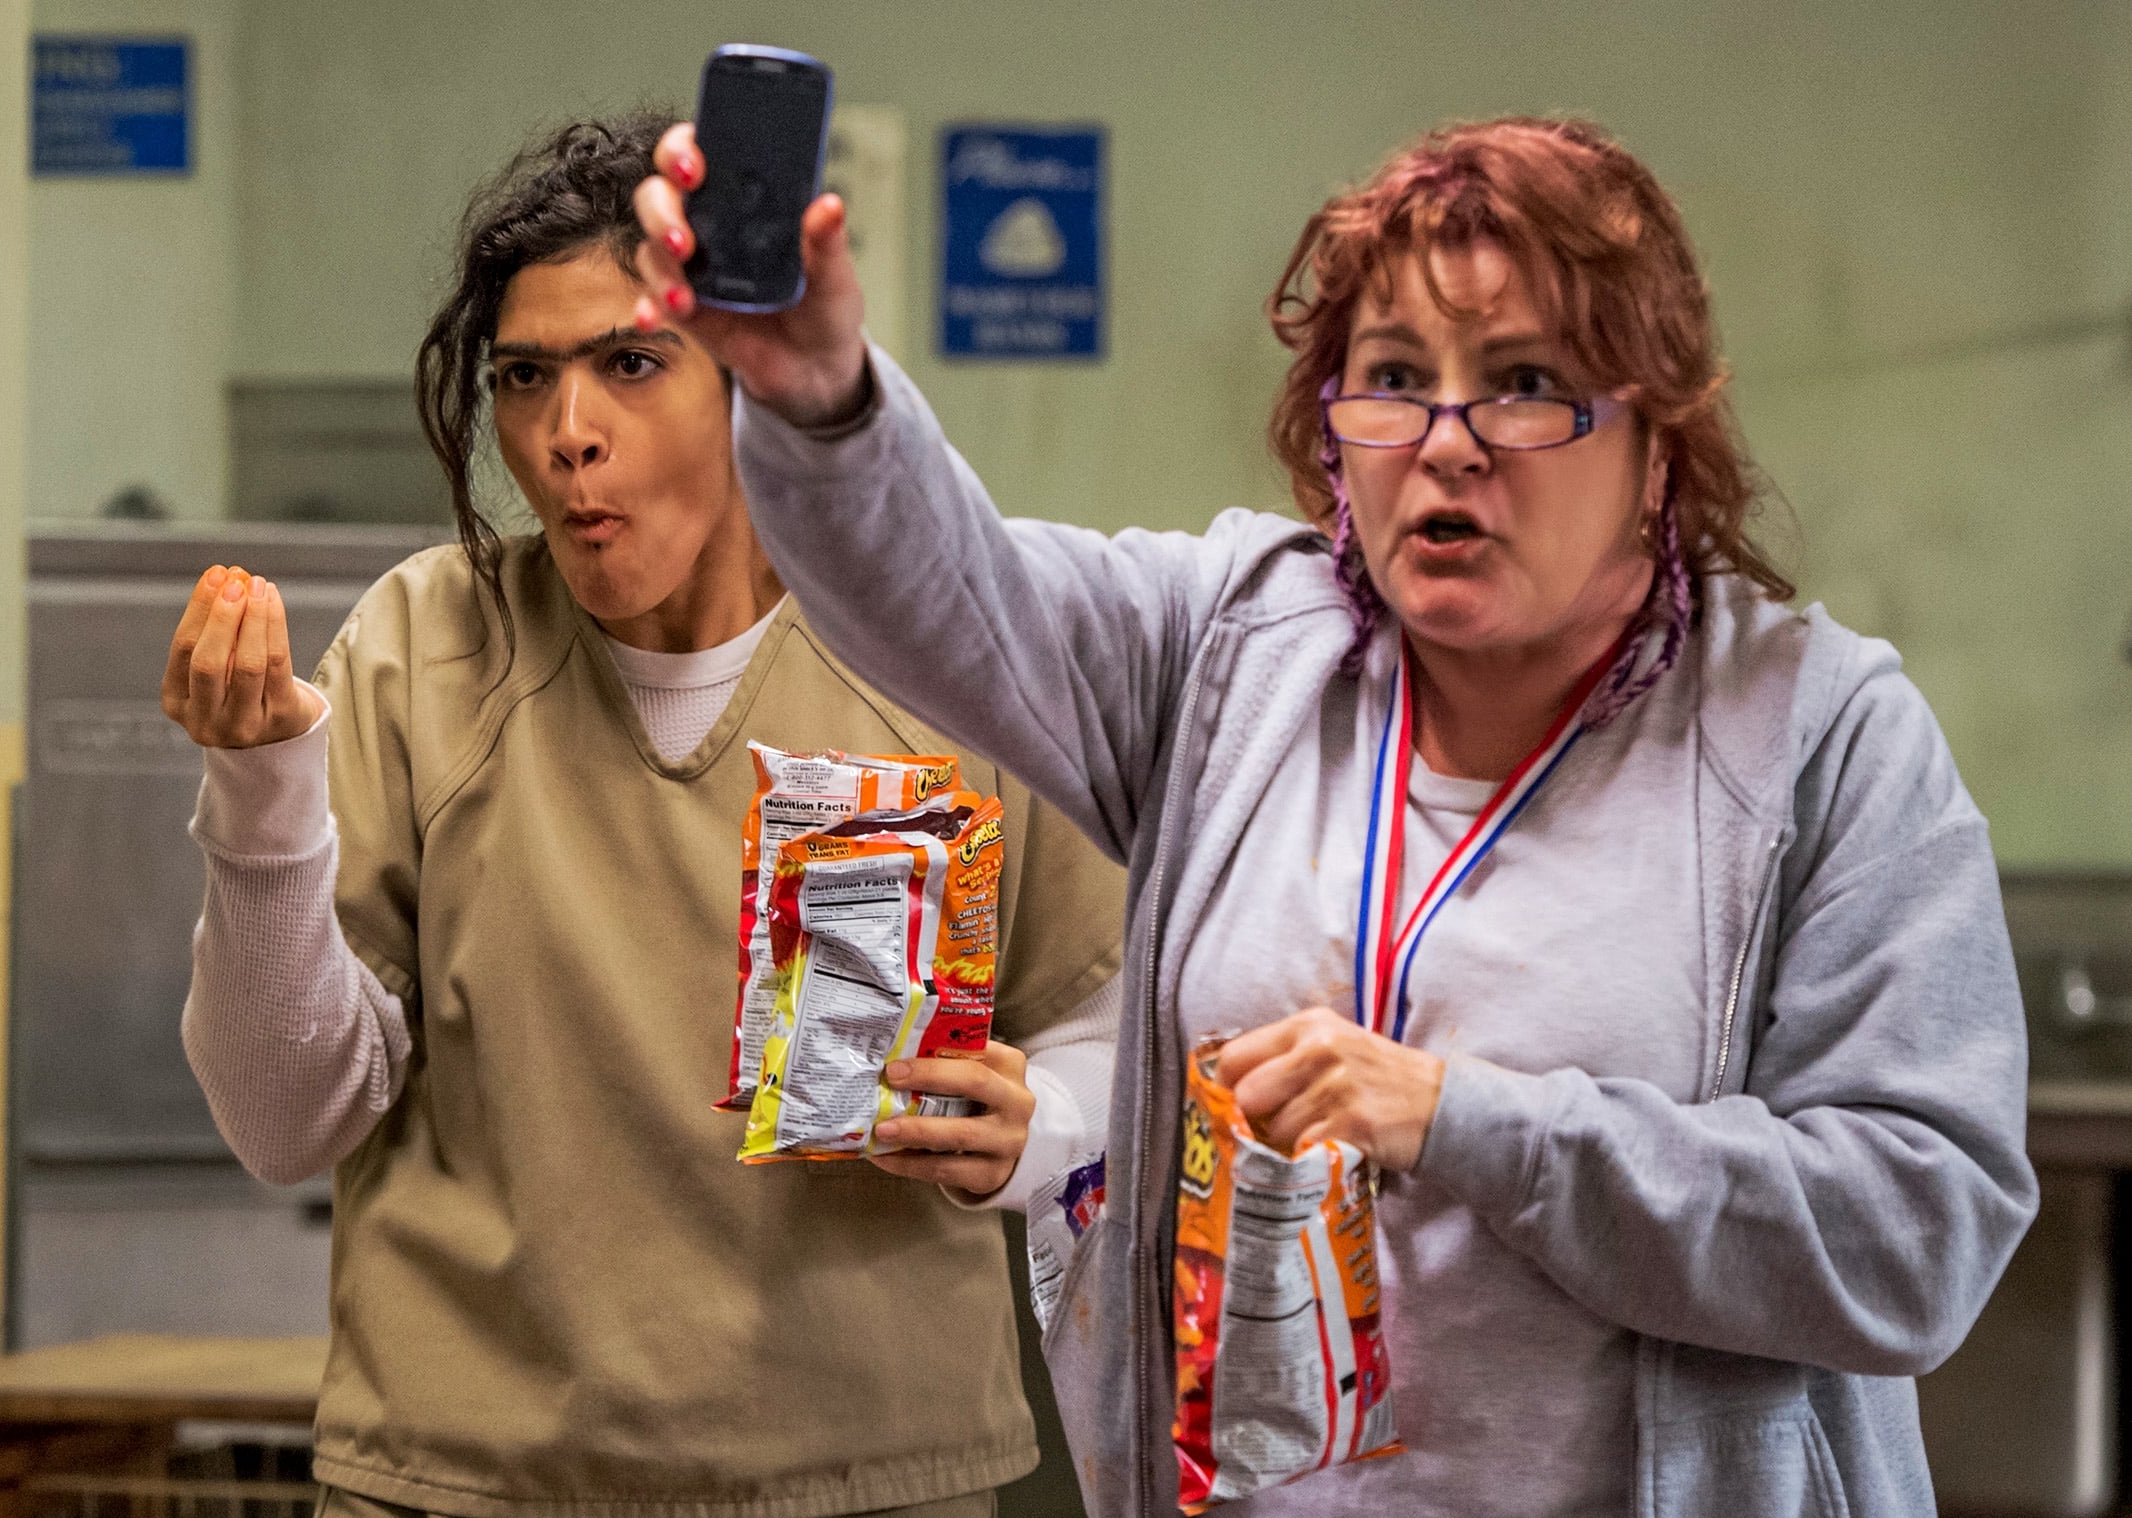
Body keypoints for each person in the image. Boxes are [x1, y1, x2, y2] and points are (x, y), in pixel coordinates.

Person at [627, 114, 2036, 1516]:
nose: (1448, 444)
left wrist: (1466, 1121)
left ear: (1656, 439)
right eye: (1395, 380)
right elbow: (949, 595)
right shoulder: (1237, 652)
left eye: (1526, 384)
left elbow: (1920, 1235)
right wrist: (820, 396)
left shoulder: (1815, 736)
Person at [160, 111, 1128, 1518]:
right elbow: (283, 1121)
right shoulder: (428, 648)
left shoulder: (942, 649)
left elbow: (1116, 1033)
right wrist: (259, 794)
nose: (568, 435)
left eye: (630, 363)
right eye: (524, 377)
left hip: (862, 1474)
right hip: (463, 1476)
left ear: (743, 373)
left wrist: (1036, 1129)